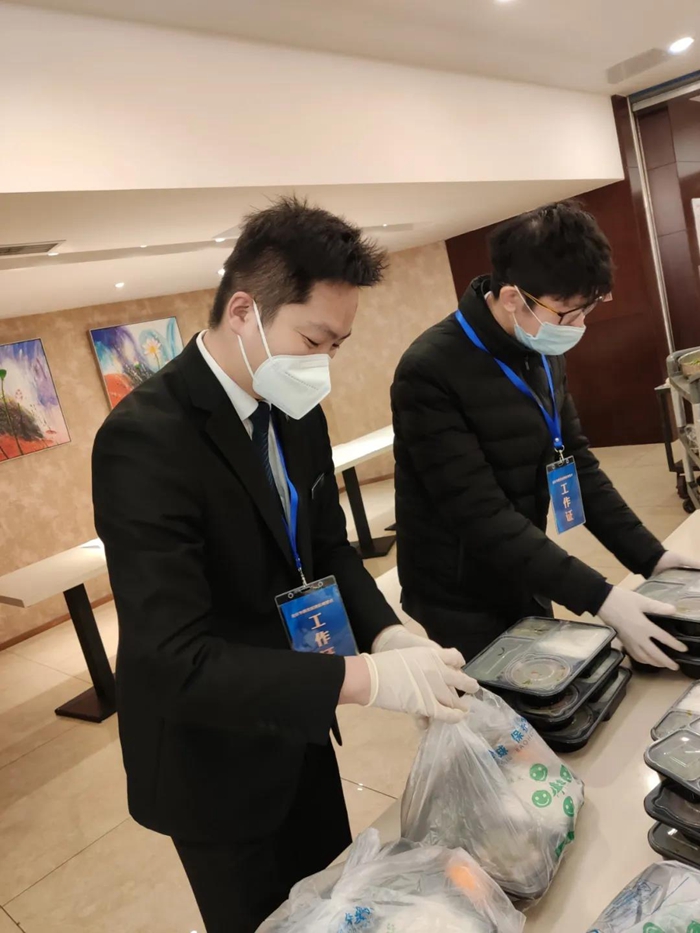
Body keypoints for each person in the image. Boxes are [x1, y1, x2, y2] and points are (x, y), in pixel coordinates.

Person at [92, 197, 477, 933]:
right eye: (313, 339)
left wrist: (388, 634)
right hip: (214, 761)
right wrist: (366, 679)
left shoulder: (296, 411)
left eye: (337, 345)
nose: (322, 364)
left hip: (299, 718)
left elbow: (326, 547)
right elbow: (173, 659)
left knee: (334, 902)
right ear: (244, 311)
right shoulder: (144, 439)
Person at [391, 200, 700, 669]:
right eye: (568, 314)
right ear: (512, 298)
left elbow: (575, 462)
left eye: (587, 310)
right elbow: (479, 514)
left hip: (525, 562)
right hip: (459, 588)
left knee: (559, 677)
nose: (579, 326)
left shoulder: (539, 342)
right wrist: (601, 597)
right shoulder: (429, 370)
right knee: (507, 699)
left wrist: (651, 557)